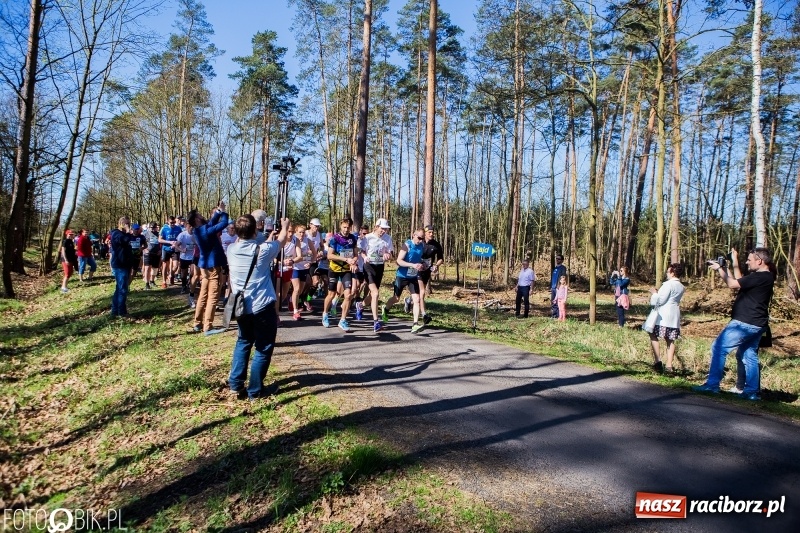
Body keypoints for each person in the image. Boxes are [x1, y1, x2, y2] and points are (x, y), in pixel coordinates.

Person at [694, 248, 775, 400]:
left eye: (749, 260)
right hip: (757, 324)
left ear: (760, 261)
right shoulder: (764, 277)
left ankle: (712, 385)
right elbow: (739, 281)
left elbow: (732, 284)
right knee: (748, 354)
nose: (747, 262)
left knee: (718, 347)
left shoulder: (760, 277)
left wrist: (719, 269)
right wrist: (731, 263)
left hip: (744, 323)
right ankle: (751, 392)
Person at [226, 215, 290, 400]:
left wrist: (266, 235)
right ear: (255, 231)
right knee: (263, 347)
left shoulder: (231, 249)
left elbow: (255, 243)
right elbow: (282, 241)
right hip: (262, 307)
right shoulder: (262, 251)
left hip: (241, 307)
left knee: (244, 341)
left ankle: (236, 384)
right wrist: (284, 226)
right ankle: (255, 391)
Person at [189, 203, 230, 335]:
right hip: (213, 267)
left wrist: (218, 211)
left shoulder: (198, 230)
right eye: (199, 215)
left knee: (203, 294)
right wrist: (223, 212)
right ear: (196, 219)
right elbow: (223, 224)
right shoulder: (206, 230)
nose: (202, 216)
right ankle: (208, 326)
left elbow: (212, 222)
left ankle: (197, 324)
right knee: (213, 296)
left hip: (204, 266)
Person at [383, 229, 426, 333]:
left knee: (416, 299)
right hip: (401, 275)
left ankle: (415, 324)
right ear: (413, 235)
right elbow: (398, 261)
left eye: (422, 238)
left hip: (413, 276)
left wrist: (422, 265)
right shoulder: (407, 245)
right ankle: (385, 308)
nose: (420, 240)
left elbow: (419, 259)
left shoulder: (422, 246)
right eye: (419, 238)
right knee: (396, 298)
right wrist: (412, 265)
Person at [644, 263, 685, 373]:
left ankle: (658, 361)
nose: (666, 274)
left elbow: (660, 301)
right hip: (674, 316)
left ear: (672, 273)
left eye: (668, 271)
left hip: (663, 316)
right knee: (670, 340)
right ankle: (669, 366)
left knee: (652, 333)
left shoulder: (668, 285)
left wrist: (654, 293)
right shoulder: (681, 286)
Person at [322, 218, 358, 332]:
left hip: (346, 270)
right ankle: (325, 314)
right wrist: (345, 259)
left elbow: (356, 254)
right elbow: (329, 256)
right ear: (340, 226)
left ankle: (342, 320)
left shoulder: (353, 238)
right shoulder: (335, 239)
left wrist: (353, 261)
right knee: (332, 294)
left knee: (348, 295)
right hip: (334, 269)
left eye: (348, 227)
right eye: (344, 227)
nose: (346, 230)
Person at [360, 219, 394, 332]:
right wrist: (365, 258)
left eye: (385, 229)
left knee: (372, 295)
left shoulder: (388, 238)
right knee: (375, 293)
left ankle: (360, 306)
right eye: (382, 228)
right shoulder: (368, 237)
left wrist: (387, 255)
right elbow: (361, 251)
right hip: (368, 266)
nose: (383, 231)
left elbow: (390, 253)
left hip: (379, 267)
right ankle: (376, 322)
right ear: (376, 227)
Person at [416, 224, 442, 323]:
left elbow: (440, 259)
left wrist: (436, 265)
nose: (431, 234)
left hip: (427, 270)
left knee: (418, 293)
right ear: (425, 233)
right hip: (417, 269)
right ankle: (424, 315)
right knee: (422, 292)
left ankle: (409, 300)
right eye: (429, 232)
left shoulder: (436, 245)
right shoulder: (420, 242)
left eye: (432, 233)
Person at [290, 224, 316, 320]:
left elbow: (314, 254)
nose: (301, 234)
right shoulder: (293, 240)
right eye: (299, 232)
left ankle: (292, 300)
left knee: (300, 290)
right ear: (296, 232)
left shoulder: (307, 241)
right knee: (296, 289)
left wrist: (309, 262)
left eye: (303, 232)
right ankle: (295, 311)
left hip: (304, 268)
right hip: (294, 268)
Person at [110, 217, 134, 317]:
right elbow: (123, 241)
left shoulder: (124, 234)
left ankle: (115, 311)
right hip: (119, 265)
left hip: (126, 264)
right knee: (123, 289)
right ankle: (121, 312)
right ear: (122, 224)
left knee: (120, 288)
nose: (129, 226)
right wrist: (128, 232)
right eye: (127, 224)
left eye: (129, 224)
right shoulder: (116, 234)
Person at [158, 216, 181, 288]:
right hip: (166, 249)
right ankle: (164, 281)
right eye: (171, 223)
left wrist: (176, 244)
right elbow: (159, 240)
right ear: (168, 221)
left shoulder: (178, 228)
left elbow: (181, 239)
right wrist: (169, 242)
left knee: (176, 266)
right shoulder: (164, 229)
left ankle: (171, 275)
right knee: (165, 265)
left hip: (175, 249)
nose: (173, 224)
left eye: (174, 222)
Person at [142, 222, 161, 290]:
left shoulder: (159, 234)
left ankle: (152, 281)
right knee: (147, 268)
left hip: (156, 253)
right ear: (149, 227)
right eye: (151, 228)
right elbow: (141, 242)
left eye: (154, 228)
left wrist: (160, 250)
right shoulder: (144, 234)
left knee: (155, 268)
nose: (153, 229)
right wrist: (144, 249)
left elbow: (161, 243)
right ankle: (147, 284)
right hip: (148, 253)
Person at [550, 254, 567, 319]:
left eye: (559, 259)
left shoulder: (563, 268)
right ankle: (554, 315)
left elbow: (563, 278)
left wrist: (560, 286)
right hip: (553, 287)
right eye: (556, 258)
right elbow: (553, 278)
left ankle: (558, 316)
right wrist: (551, 286)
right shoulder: (555, 268)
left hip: (558, 288)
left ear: (562, 260)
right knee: (553, 301)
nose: (557, 260)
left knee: (558, 302)